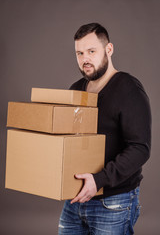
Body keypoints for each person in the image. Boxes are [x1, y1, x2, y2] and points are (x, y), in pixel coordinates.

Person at [58, 23, 151, 235]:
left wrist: (98, 180)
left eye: (92, 51)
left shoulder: (128, 89)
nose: (85, 59)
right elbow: (68, 141)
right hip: (75, 199)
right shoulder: (75, 90)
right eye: (79, 53)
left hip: (113, 201)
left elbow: (140, 148)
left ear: (109, 49)